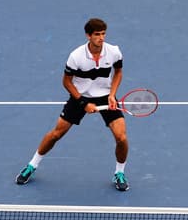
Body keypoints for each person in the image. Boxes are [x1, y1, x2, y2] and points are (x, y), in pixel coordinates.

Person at [15, 18, 131, 191]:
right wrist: (83, 103)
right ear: (88, 35)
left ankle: (119, 173)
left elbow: (118, 72)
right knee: (56, 134)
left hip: (106, 96)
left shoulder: (114, 51)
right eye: (97, 34)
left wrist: (112, 95)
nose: (101, 38)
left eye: (103, 34)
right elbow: (67, 82)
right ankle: (32, 165)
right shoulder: (76, 56)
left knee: (121, 137)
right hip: (80, 96)